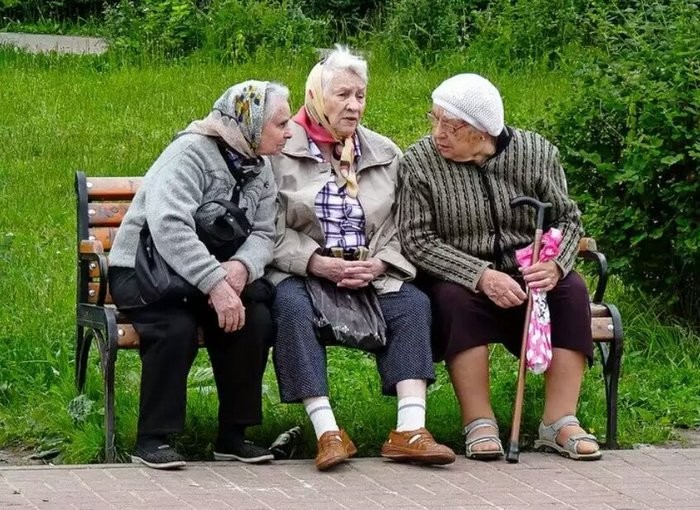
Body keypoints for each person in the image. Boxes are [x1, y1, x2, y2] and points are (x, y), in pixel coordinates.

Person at [267, 46, 456, 471]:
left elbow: (403, 224)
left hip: (368, 272)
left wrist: (381, 263)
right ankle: (327, 432)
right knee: (291, 307)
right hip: (303, 271)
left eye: (361, 95)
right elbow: (267, 226)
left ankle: (410, 430)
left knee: (412, 305)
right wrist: (315, 262)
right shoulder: (278, 151)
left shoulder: (384, 153)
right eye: (343, 95)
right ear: (316, 94)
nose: (354, 105)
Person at [397, 73, 602, 461]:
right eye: (434, 119)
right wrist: (479, 275)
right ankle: (480, 422)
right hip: (462, 275)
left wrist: (556, 264)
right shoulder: (420, 162)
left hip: (528, 273)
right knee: (456, 299)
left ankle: (559, 422)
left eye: (450, 125)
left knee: (571, 290)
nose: (437, 132)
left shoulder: (536, 152)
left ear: (482, 131)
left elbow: (569, 220)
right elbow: (417, 239)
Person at [108, 80, 293, 469]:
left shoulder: (260, 167)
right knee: (174, 327)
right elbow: (169, 226)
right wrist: (215, 281)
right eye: (280, 123)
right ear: (251, 122)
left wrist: (240, 269)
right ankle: (152, 439)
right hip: (147, 272)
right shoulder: (190, 154)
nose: (289, 131)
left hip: (208, 278)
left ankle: (232, 435)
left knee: (253, 320)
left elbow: (264, 233)